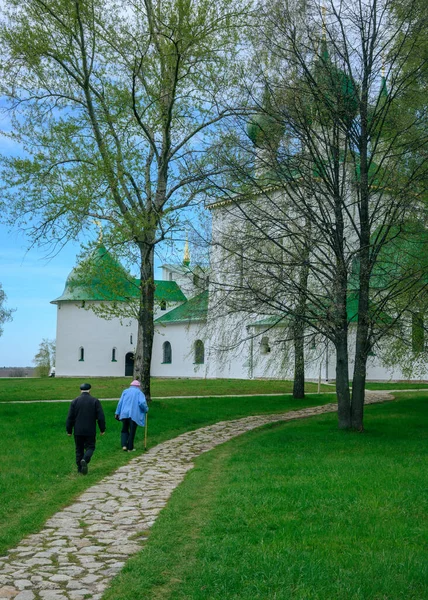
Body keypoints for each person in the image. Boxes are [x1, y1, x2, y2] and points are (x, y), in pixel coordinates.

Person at [66, 383, 106, 475]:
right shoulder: (95, 401)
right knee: (91, 447)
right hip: (90, 430)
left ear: (80, 390)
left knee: (79, 449)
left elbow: (70, 417)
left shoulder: (74, 401)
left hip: (78, 430)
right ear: (90, 390)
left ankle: (80, 469)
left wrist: (69, 430)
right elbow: (100, 417)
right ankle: (85, 459)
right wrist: (102, 428)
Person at [115, 379, 148, 452]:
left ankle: (124, 445)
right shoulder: (139, 393)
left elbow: (120, 403)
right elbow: (142, 403)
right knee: (132, 430)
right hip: (134, 414)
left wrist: (117, 412)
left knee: (124, 429)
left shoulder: (125, 391)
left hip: (124, 413)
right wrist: (146, 409)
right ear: (138, 386)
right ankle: (130, 447)